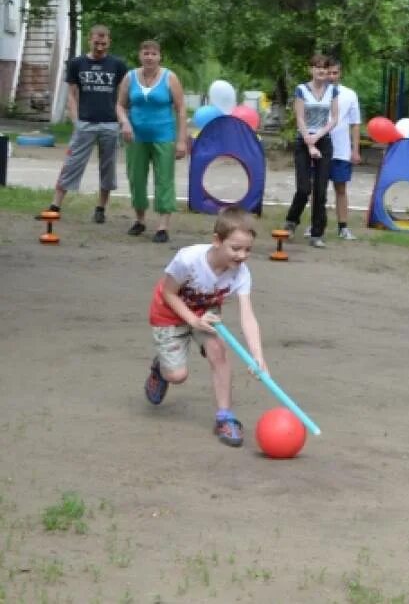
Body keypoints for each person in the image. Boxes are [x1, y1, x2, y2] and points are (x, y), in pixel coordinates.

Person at [144, 207, 267, 448]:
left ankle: (225, 417)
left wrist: (258, 357)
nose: (242, 255)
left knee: (218, 351)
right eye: (236, 248)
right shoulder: (188, 259)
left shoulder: (241, 273)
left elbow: (248, 316)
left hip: (206, 313)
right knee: (177, 376)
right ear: (217, 241)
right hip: (169, 311)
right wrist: (191, 320)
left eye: (248, 249)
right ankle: (161, 368)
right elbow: (168, 293)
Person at [39, 24, 127, 222]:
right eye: (97, 42)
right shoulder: (77, 63)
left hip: (110, 124)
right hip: (85, 123)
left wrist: (123, 120)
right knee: (71, 163)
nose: (100, 46)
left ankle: (101, 208)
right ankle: (55, 205)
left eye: (104, 42)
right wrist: (76, 119)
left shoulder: (118, 65)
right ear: (90, 39)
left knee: (108, 167)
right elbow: (71, 94)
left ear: (109, 41)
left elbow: (123, 95)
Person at [116, 40, 188, 243]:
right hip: (136, 137)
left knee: (164, 179)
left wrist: (181, 140)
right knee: (136, 178)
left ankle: (163, 226)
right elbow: (120, 105)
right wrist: (125, 123)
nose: (149, 57)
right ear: (140, 55)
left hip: (163, 136)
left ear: (159, 57)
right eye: (146, 53)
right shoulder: (130, 77)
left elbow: (181, 108)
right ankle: (140, 220)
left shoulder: (169, 77)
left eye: (153, 54)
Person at [283, 54, 339, 248]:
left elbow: (334, 119)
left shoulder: (332, 91)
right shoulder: (301, 90)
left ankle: (317, 233)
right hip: (303, 140)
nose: (321, 71)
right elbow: (299, 118)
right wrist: (309, 141)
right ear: (311, 70)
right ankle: (291, 221)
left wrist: (318, 138)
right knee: (304, 188)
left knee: (321, 190)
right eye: (317, 67)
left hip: (323, 140)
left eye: (324, 68)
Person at [326, 59, 361, 240]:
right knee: (318, 189)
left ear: (340, 74)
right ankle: (316, 224)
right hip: (320, 150)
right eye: (329, 72)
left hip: (341, 151)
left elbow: (355, 124)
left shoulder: (350, 94)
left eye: (335, 73)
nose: (331, 76)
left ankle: (343, 227)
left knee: (341, 189)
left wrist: (355, 150)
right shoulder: (316, 93)